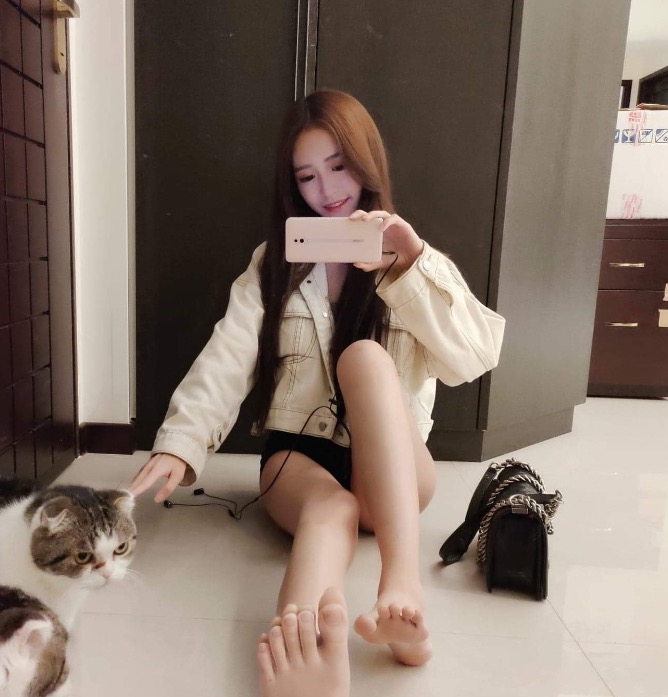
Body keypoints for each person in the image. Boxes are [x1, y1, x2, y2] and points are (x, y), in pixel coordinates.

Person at [129, 89, 504, 666]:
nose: (326, 191)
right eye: (307, 176)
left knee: (366, 359)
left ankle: (401, 590)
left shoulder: (415, 259)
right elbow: (229, 352)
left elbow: (472, 358)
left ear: (367, 161)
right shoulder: (274, 262)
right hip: (299, 459)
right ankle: (297, 654)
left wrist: (411, 263)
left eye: (339, 166)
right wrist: (182, 441)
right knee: (330, 511)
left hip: (394, 468)